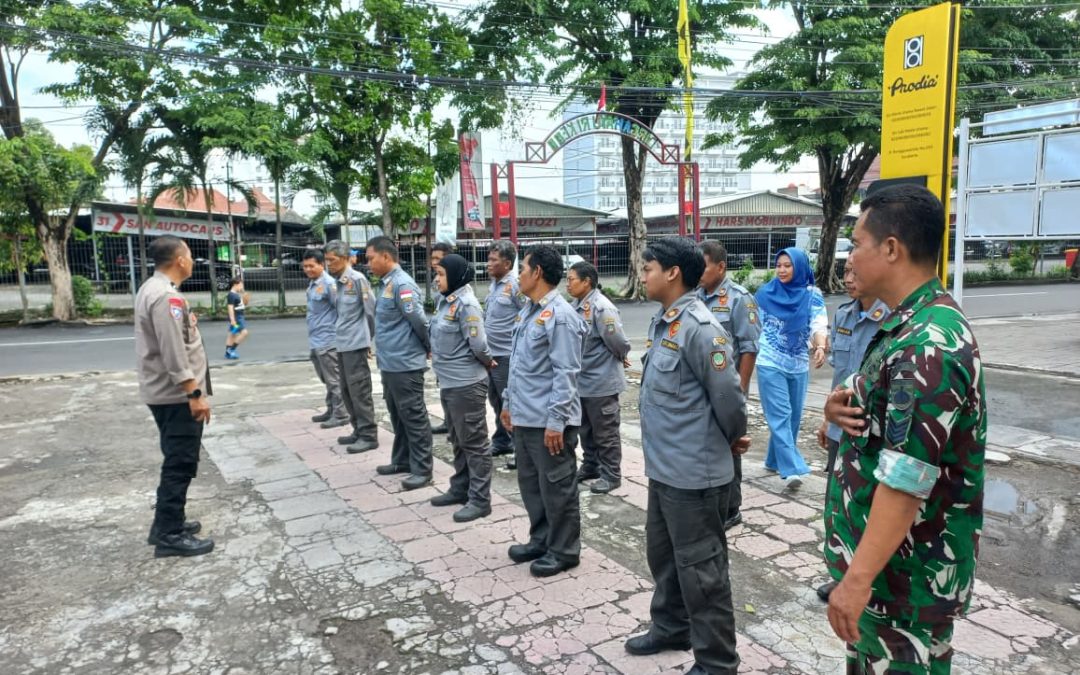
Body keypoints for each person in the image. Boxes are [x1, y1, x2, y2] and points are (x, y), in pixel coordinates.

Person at [823, 185, 986, 675]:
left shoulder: (927, 344)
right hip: (886, 578)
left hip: (904, 584)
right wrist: (837, 408)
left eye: (856, 243)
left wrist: (856, 580)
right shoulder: (908, 326)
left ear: (891, 248)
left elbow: (905, 479)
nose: (850, 256)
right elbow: (882, 408)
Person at [623, 237, 748, 675]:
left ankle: (717, 662)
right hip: (665, 468)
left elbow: (729, 400)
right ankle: (671, 627)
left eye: (648, 268)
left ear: (673, 273)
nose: (643, 275)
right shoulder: (665, 322)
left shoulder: (700, 327)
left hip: (695, 475)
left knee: (702, 572)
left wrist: (730, 440)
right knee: (665, 558)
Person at [501, 244, 586, 577]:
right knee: (532, 486)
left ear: (537, 272)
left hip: (549, 421)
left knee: (557, 487)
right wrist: (507, 404)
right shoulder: (529, 311)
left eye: (522, 269)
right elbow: (519, 366)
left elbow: (567, 373)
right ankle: (541, 539)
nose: (518, 275)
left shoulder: (560, 317)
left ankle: (564, 550)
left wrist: (557, 422)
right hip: (526, 416)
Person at [135, 235, 215, 558]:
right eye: (190, 255)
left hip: (166, 393)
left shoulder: (152, 288)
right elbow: (173, 351)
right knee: (180, 462)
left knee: (177, 458)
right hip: (176, 396)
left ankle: (168, 523)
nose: (192, 261)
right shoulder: (166, 297)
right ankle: (169, 534)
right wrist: (193, 392)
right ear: (180, 260)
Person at [814, 261, 890, 602]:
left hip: (872, 434)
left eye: (855, 272)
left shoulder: (893, 320)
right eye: (844, 272)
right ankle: (842, 575)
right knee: (838, 506)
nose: (847, 279)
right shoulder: (843, 316)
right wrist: (827, 421)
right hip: (840, 430)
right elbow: (839, 378)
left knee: (871, 508)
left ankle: (871, 578)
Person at [697, 241, 761, 529]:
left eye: (704, 266)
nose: (699, 272)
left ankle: (732, 508)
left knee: (730, 448)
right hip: (703, 388)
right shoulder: (695, 296)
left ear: (721, 267)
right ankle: (711, 500)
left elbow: (749, 348)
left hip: (728, 389)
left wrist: (740, 391)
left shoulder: (739, 299)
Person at [428, 254, 496, 522]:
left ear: (455, 276)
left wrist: (488, 361)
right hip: (448, 382)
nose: (436, 279)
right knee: (457, 439)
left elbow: (479, 345)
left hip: (466, 384)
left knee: (474, 443)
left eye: (441, 274)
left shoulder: (467, 305)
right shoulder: (445, 301)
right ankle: (460, 488)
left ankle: (480, 499)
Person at [754, 247, 828, 489]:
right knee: (781, 414)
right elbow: (754, 327)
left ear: (800, 267)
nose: (782, 270)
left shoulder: (812, 295)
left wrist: (820, 346)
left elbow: (818, 323)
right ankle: (791, 469)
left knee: (794, 417)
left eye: (788, 265)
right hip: (769, 361)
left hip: (798, 363)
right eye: (779, 265)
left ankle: (773, 460)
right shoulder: (764, 294)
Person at [367, 235, 434, 490]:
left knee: (413, 417)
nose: (368, 264)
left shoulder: (402, 284)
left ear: (386, 256)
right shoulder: (387, 283)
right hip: (390, 363)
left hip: (405, 364)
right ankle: (403, 460)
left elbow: (418, 320)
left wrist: (428, 346)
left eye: (371, 258)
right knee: (398, 415)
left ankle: (423, 469)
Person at [566, 260, 631, 494]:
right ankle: (591, 466)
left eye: (571, 279)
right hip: (582, 382)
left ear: (587, 282)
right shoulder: (576, 305)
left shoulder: (602, 307)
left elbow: (619, 342)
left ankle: (611, 474)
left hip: (602, 382)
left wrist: (621, 356)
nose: (567, 284)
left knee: (605, 432)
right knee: (586, 430)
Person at [324, 240, 379, 454]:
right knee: (346, 391)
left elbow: (371, 312)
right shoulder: (338, 282)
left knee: (359, 391)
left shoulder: (357, 280)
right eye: (327, 260)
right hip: (342, 344)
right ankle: (358, 429)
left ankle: (368, 435)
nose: (329, 264)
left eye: (332, 260)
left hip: (355, 345)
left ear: (345, 258)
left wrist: (367, 340)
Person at [484, 240, 526, 468]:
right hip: (491, 354)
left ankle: (521, 450)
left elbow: (527, 314)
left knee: (510, 402)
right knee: (496, 400)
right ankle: (502, 440)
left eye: (494, 260)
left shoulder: (515, 286)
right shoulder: (494, 285)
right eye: (489, 258)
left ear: (507, 263)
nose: (488, 263)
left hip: (507, 355)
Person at [303, 249, 349, 428]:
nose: (308, 269)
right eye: (305, 266)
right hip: (316, 340)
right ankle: (331, 409)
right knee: (326, 378)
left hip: (328, 341)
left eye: (311, 266)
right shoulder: (313, 284)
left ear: (321, 265)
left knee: (334, 380)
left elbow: (341, 309)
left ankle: (341, 414)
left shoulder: (329, 284)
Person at [430, 241, 455, 436]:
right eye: (432, 258)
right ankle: (448, 422)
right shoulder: (436, 280)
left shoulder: (455, 281)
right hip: (441, 347)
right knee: (443, 387)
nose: (434, 262)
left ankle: (455, 426)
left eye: (438, 258)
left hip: (453, 349)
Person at [224, 276, 248, 360]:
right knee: (244, 332)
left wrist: (245, 299)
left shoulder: (235, 294)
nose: (242, 287)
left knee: (232, 334)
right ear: (235, 284)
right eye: (241, 285)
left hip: (238, 316)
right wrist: (232, 319)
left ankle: (227, 353)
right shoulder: (231, 295)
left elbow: (241, 305)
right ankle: (231, 349)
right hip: (237, 318)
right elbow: (230, 308)